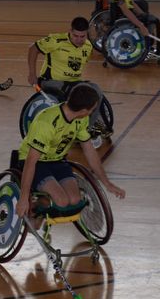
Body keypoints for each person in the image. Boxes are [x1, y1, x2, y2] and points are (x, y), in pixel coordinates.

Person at [15, 83, 125, 218]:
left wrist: (107, 183)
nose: (92, 113)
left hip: (57, 160)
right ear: (84, 110)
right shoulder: (47, 122)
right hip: (36, 162)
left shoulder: (81, 119)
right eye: (92, 110)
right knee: (61, 201)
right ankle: (36, 208)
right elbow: (31, 162)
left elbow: (90, 151)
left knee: (74, 200)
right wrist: (23, 197)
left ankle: (45, 201)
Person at [27, 16, 107, 147]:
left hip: (74, 82)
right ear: (70, 31)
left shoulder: (87, 46)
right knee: (80, 93)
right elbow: (33, 48)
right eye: (76, 36)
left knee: (96, 89)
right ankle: (83, 129)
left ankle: (88, 127)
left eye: (83, 36)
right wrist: (32, 73)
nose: (79, 40)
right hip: (51, 82)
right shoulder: (56, 40)